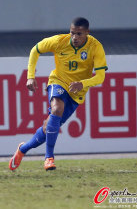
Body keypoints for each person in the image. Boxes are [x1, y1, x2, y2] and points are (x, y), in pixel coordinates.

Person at [9, 17, 108, 171]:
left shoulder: (95, 47)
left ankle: (22, 149)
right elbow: (35, 50)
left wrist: (82, 83)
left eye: (79, 34)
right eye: (72, 33)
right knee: (56, 109)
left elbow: (101, 77)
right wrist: (30, 76)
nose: (74, 37)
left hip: (77, 92)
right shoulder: (59, 41)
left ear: (87, 33)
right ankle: (49, 158)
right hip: (59, 81)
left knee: (48, 128)